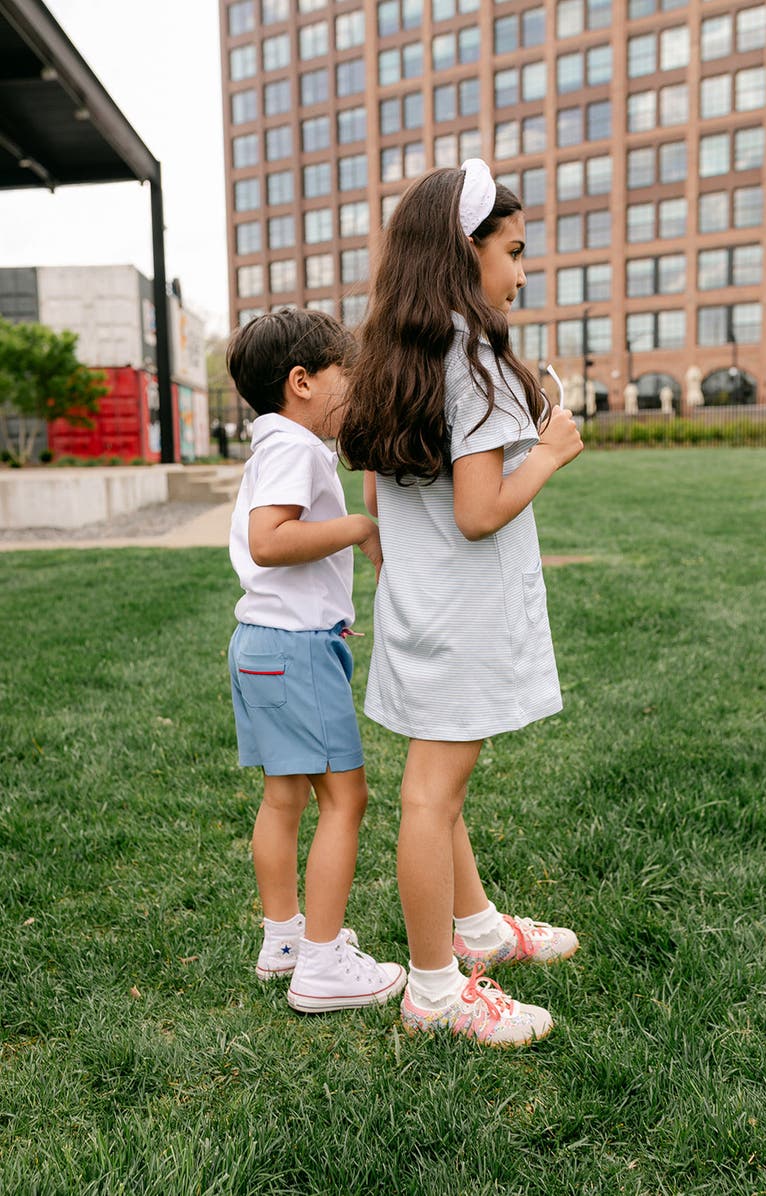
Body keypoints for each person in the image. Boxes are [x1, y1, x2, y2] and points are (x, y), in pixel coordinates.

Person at [339, 161, 583, 1046]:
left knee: (442, 788)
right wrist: (550, 451)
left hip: (421, 609)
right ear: (462, 251)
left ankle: (475, 927)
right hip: (464, 614)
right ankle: (436, 989)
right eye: (514, 252)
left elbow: (377, 500)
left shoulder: (391, 357)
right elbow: (480, 513)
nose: (521, 273)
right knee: (432, 797)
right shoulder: (471, 359)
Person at [226, 308, 406, 1013]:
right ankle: (325, 964)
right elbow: (270, 540)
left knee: (285, 796)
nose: (355, 391)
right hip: (293, 650)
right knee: (346, 798)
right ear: (301, 382)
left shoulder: (272, 443)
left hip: (264, 645)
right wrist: (359, 526)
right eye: (346, 377)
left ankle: (285, 941)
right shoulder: (296, 448)